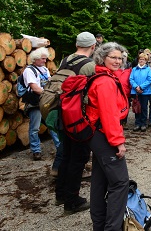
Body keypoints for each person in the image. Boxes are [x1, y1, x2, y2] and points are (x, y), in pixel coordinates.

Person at [86, 42, 129, 231]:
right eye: (113, 57)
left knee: (100, 179)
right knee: (120, 183)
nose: (118, 61)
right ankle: (112, 228)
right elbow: (109, 115)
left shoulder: (103, 77)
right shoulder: (105, 81)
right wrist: (118, 142)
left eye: (120, 58)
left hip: (97, 134)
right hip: (104, 135)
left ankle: (99, 225)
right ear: (103, 57)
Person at [55, 32, 96, 215]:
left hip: (63, 112)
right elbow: (91, 94)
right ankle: (72, 201)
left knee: (65, 154)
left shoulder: (65, 60)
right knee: (78, 159)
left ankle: (61, 194)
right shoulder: (89, 65)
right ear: (93, 46)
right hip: (78, 116)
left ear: (76, 44)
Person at [22, 47, 59, 161]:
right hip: (35, 103)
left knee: (52, 124)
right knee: (35, 127)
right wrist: (49, 94)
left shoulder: (45, 69)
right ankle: (36, 150)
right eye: (43, 59)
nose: (45, 61)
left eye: (45, 58)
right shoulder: (29, 71)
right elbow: (35, 88)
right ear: (35, 59)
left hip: (46, 101)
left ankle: (60, 147)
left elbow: (49, 83)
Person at [129, 53, 151, 131]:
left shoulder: (148, 69)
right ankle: (137, 123)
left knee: (143, 108)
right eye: (140, 59)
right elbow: (131, 79)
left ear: (146, 61)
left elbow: (149, 79)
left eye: (143, 59)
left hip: (145, 92)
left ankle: (143, 124)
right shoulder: (134, 69)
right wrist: (136, 87)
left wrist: (141, 87)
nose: (141, 60)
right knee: (136, 108)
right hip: (135, 91)